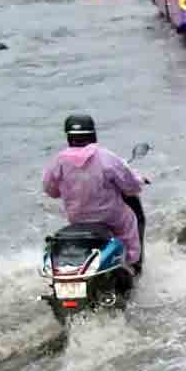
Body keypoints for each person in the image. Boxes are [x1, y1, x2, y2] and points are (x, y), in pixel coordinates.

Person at [42, 114, 144, 272]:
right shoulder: (105, 156)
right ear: (93, 135)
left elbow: (50, 189)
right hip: (110, 218)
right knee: (130, 222)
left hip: (77, 218)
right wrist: (139, 180)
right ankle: (132, 263)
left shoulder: (58, 161)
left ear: (69, 137)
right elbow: (130, 186)